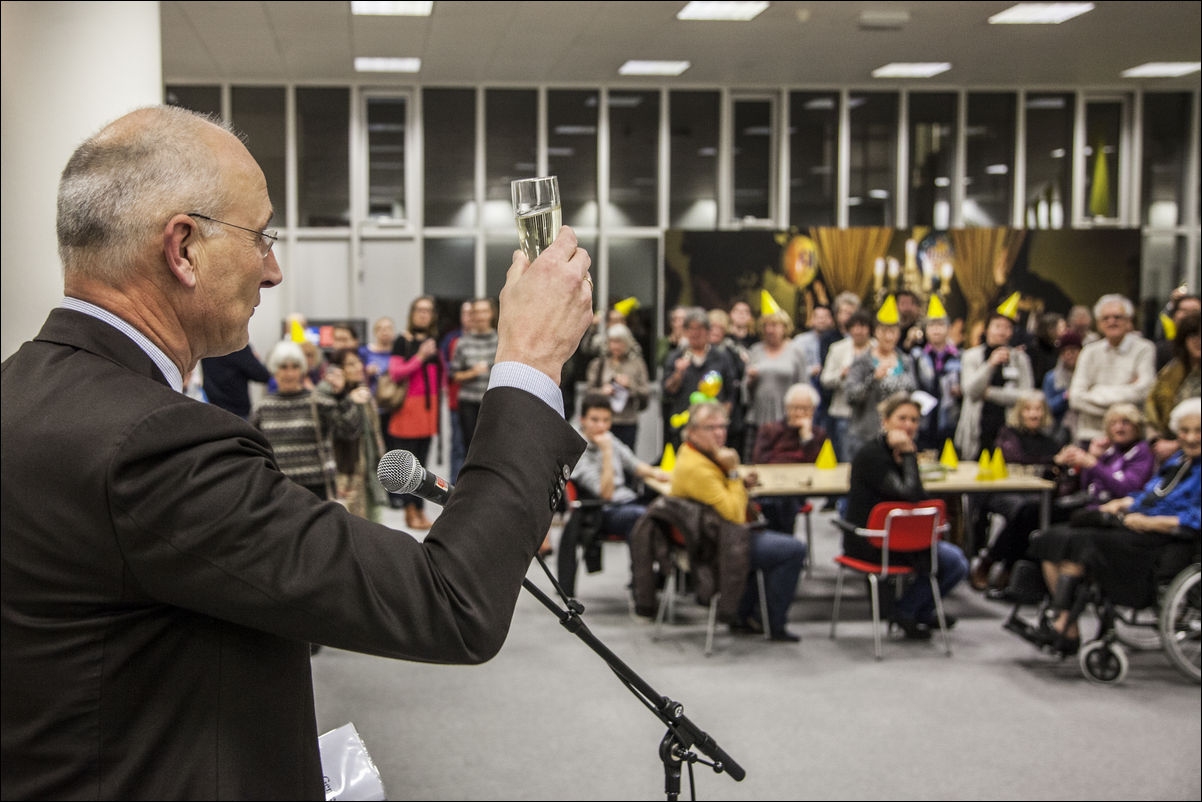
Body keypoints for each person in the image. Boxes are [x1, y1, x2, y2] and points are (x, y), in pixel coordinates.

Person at [0, 105, 594, 799]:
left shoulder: (24, 391)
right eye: (261, 237)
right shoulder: (153, 445)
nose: (274, 270)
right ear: (183, 247)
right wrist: (529, 361)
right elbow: (450, 602)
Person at [1020, 398, 1200, 656]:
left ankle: (1064, 628)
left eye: (1198, 431)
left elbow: (1196, 517)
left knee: (1081, 545)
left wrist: (1151, 521)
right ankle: (1064, 618)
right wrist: (1124, 502)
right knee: (1051, 538)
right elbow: (1152, 494)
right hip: (1138, 523)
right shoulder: (1177, 461)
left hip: (1167, 538)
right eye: (1185, 431)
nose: (1191, 438)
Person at [670, 401, 806, 642]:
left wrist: (739, 482)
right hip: (716, 544)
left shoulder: (697, 453)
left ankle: (746, 615)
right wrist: (733, 473)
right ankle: (770, 623)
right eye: (710, 428)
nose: (719, 433)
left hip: (719, 534)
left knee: (774, 530)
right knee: (793, 549)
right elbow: (733, 514)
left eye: (722, 426)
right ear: (691, 431)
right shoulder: (697, 467)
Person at [843, 393, 970, 640]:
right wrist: (910, 457)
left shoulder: (902, 454)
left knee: (956, 563)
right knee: (950, 561)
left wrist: (908, 458)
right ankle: (908, 611)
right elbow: (909, 495)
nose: (909, 425)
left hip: (907, 540)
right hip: (871, 541)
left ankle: (913, 610)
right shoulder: (872, 456)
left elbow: (919, 498)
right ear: (886, 421)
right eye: (902, 418)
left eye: (914, 420)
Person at [968, 392, 1063, 591]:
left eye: (1038, 409)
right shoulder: (1008, 434)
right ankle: (998, 564)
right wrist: (1052, 462)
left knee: (1032, 512)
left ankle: (1001, 563)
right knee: (1025, 510)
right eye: (1029, 409)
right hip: (1004, 490)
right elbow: (1016, 459)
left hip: (1036, 495)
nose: (1034, 414)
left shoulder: (1051, 441)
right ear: (1020, 412)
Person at [252, 340, 364, 500]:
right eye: (283, 367)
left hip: (317, 487)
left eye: (295, 367)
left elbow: (351, 430)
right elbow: (255, 451)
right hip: (278, 488)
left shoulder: (318, 401)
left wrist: (342, 397)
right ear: (275, 370)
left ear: (303, 370)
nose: (289, 373)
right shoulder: (262, 408)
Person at [571, 393, 669, 541]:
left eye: (606, 420)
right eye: (595, 420)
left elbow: (635, 465)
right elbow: (606, 494)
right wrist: (606, 452)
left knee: (667, 510)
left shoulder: (609, 438)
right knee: (645, 517)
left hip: (626, 500)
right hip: (602, 510)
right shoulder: (578, 449)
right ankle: (642, 564)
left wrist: (657, 474)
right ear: (582, 420)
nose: (601, 426)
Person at [388, 295, 446, 530]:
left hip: (428, 411)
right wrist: (420, 356)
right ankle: (409, 511)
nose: (423, 314)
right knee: (409, 465)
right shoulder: (403, 340)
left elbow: (440, 375)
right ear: (412, 314)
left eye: (428, 310)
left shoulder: (434, 340)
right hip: (407, 410)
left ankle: (420, 512)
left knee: (422, 466)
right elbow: (395, 373)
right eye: (419, 310)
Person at [1068, 293, 1156, 443]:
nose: (1112, 322)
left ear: (1128, 320)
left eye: (1117, 317)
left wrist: (1095, 391)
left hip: (1130, 438)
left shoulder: (1144, 349)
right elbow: (1075, 398)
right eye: (1106, 318)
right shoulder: (1089, 352)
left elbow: (1144, 390)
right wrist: (1127, 396)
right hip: (1091, 436)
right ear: (1099, 324)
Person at [320, 347, 388, 521]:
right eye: (351, 364)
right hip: (344, 473)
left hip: (368, 471)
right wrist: (347, 399)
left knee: (374, 526)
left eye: (358, 361)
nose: (358, 366)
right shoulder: (328, 395)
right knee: (350, 527)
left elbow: (375, 434)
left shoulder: (363, 392)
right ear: (338, 370)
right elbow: (347, 430)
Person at [955, 312, 1034, 459]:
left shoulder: (1021, 359)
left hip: (1008, 427)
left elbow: (1026, 396)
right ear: (987, 329)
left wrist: (990, 393)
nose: (1002, 331)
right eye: (997, 326)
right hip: (977, 427)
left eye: (1007, 327)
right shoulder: (971, 356)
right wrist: (990, 364)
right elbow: (970, 391)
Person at [751, 383, 828, 532]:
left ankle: (782, 544)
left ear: (813, 410)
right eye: (794, 408)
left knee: (786, 502)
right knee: (775, 503)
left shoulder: (818, 435)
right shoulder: (770, 429)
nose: (799, 413)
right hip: (770, 487)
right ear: (787, 408)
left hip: (799, 490)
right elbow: (759, 460)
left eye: (805, 409)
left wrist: (807, 439)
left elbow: (820, 467)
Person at [844, 309, 917, 462]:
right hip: (867, 435)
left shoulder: (906, 361)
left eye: (893, 331)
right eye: (884, 331)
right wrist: (873, 379)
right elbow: (850, 396)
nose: (889, 336)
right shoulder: (862, 361)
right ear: (876, 332)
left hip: (898, 436)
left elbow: (912, 391)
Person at [662, 307, 739, 449]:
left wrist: (721, 419)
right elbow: (667, 392)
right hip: (684, 427)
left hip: (713, 428)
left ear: (708, 331)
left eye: (700, 328)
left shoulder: (721, 357)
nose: (695, 333)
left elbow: (731, 393)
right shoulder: (676, 356)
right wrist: (678, 373)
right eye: (690, 328)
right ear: (685, 331)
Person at [743, 309, 809, 462]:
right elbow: (745, 391)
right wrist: (750, 380)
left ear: (784, 327)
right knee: (754, 461)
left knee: (784, 461)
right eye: (765, 325)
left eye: (774, 325)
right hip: (758, 418)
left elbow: (803, 386)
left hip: (786, 419)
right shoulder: (755, 350)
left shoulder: (796, 351)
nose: (769, 330)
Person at [584, 323, 649, 450]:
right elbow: (589, 393)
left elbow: (645, 393)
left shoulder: (637, 364)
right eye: (612, 342)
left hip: (627, 421)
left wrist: (630, 386)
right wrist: (603, 392)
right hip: (602, 421)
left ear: (627, 343)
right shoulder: (599, 364)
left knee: (626, 461)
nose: (615, 346)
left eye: (619, 342)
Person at [821, 309, 874, 462]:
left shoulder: (877, 349)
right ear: (849, 329)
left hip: (869, 415)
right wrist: (841, 374)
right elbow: (825, 379)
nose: (858, 331)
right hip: (844, 413)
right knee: (846, 457)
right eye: (855, 326)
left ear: (869, 329)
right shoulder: (838, 349)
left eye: (863, 326)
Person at [1146, 311, 1200, 462]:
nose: (1198, 341)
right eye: (1193, 335)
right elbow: (1151, 409)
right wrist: (1156, 442)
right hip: (1166, 450)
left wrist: (1177, 445)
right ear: (1183, 339)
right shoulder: (1171, 371)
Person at [449, 297, 498, 453]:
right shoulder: (462, 342)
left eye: (485, 311)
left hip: (492, 401)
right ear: (472, 315)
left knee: (493, 446)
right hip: (469, 402)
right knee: (470, 447)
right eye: (477, 312)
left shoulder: (500, 340)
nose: (481, 316)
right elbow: (453, 375)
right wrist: (472, 373)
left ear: (491, 314)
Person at [912, 309, 961, 451]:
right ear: (926, 330)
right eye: (932, 326)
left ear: (948, 329)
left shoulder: (959, 356)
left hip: (949, 418)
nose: (936, 330)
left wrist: (960, 390)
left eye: (940, 325)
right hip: (924, 418)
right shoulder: (917, 355)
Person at [200, 342, 271, 419]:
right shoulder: (238, 346)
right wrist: (256, 359)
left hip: (210, 409)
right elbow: (262, 375)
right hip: (236, 412)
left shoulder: (207, 344)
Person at [1043, 330, 1083, 440]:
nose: (1069, 355)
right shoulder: (1051, 378)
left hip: (1085, 423)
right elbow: (1047, 407)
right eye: (1064, 352)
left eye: (1073, 350)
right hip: (1060, 428)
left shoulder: (1088, 374)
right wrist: (1065, 396)